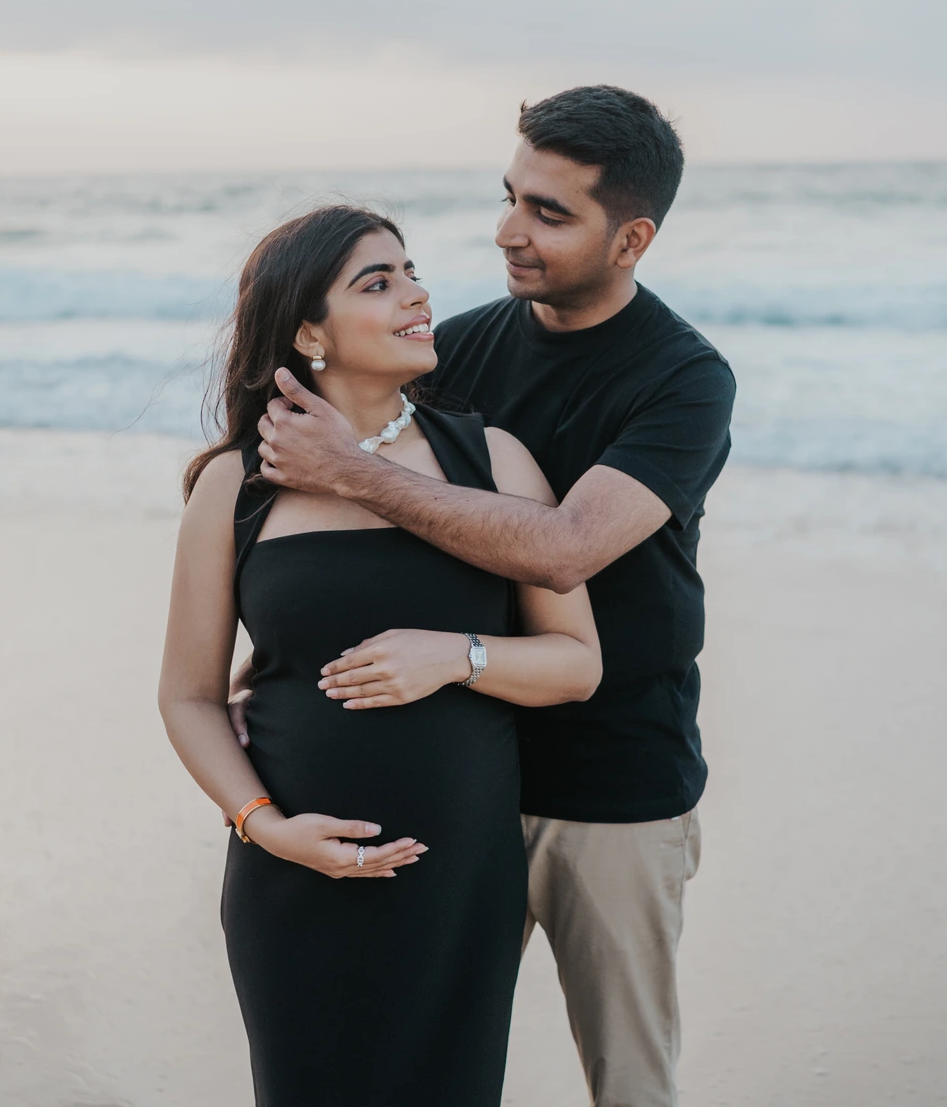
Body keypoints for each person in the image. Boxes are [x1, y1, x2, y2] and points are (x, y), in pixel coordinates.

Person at [253, 86, 736, 1107]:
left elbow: (566, 549)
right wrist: (286, 664)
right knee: (427, 1072)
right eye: (511, 196)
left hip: (611, 780)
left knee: (629, 1081)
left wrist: (354, 472)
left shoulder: (682, 378)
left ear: (631, 237)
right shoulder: (456, 349)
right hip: (453, 781)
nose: (511, 231)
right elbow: (357, 525)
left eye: (551, 213)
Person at [157, 205, 602, 1107]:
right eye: (379, 281)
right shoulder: (234, 487)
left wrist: (459, 655)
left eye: (411, 270)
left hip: (459, 878)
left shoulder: (492, 461)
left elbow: (576, 662)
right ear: (308, 332)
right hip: (292, 880)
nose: (417, 292)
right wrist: (265, 825)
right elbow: (188, 696)